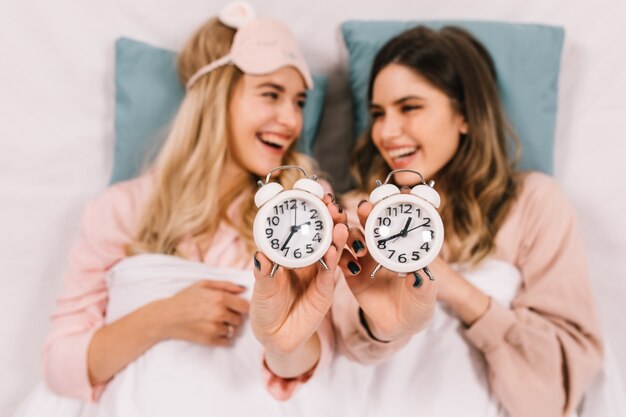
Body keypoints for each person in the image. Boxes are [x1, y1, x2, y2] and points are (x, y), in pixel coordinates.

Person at [13, 3, 354, 416]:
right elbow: (59, 366)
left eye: (299, 101)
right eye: (271, 95)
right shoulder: (121, 208)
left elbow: (315, 367)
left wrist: (284, 339)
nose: (290, 119)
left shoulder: (307, 209)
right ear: (214, 98)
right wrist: (164, 317)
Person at [336, 25, 604, 417]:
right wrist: (383, 321)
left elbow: (552, 396)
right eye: (378, 113)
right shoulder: (357, 213)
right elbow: (342, 354)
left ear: (464, 115)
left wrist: (456, 290)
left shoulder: (533, 204)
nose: (387, 132)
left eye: (410, 107)